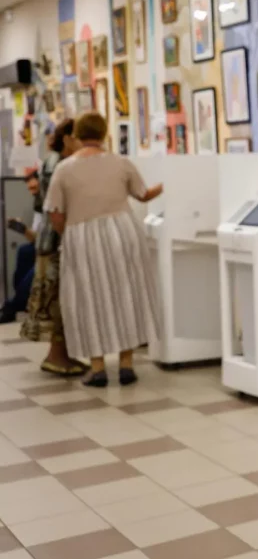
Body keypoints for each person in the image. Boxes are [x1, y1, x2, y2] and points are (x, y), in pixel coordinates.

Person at [43, 112, 163, 386]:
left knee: (87, 300)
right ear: (104, 133)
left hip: (82, 235)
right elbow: (143, 194)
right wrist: (169, 185)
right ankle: (126, 364)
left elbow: (55, 212)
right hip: (122, 232)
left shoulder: (64, 168)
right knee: (127, 295)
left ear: (77, 136)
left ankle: (97, 368)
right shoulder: (120, 163)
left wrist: (70, 232)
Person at [20, 119, 86, 376]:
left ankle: (62, 355)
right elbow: (56, 205)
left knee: (61, 298)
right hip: (55, 241)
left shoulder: (54, 161)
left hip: (51, 238)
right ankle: (57, 356)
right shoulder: (58, 164)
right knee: (57, 299)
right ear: (68, 138)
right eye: (79, 138)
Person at [0, 169, 42, 323]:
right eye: (30, 189)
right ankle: (22, 300)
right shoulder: (38, 205)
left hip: (56, 248)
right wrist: (22, 229)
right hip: (43, 245)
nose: (32, 193)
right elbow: (36, 239)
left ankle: (13, 306)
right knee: (24, 252)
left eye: (34, 189)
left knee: (36, 271)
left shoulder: (51, 202)